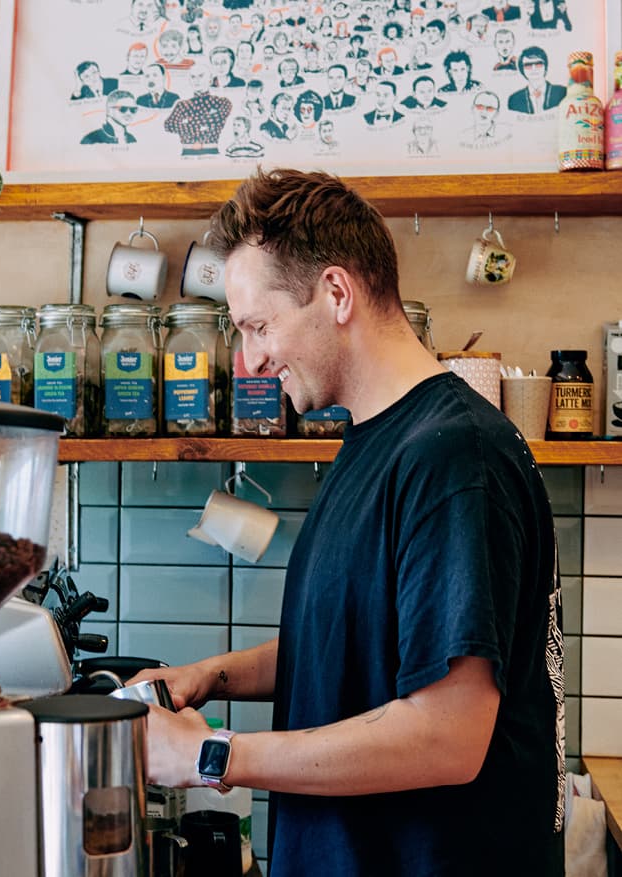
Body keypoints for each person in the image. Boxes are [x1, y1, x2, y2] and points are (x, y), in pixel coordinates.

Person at [133, 168, 564, 876]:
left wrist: (211, 755)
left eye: (257, 325)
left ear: (335, 293)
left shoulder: (452, 456)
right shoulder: (374, 442)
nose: (250, 359)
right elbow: (356, 638)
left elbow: (444, 735)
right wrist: (213, 676)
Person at [507, 46, 565, 113]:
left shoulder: (562, 92)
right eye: (528, 65)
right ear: (522, 70)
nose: (534, 69)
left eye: (538, 64)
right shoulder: (515, 99)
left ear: (545, 67)